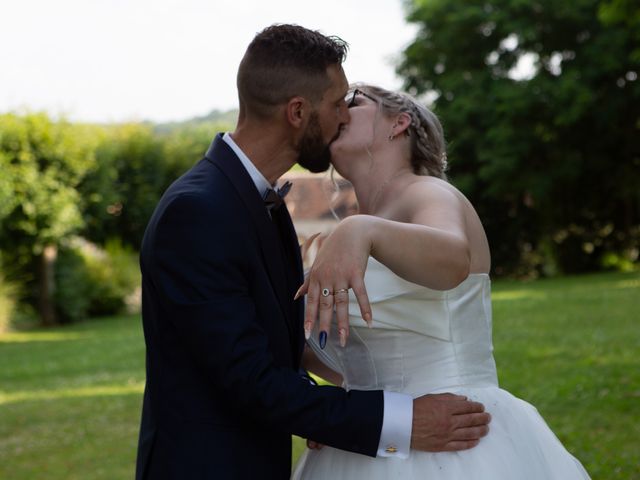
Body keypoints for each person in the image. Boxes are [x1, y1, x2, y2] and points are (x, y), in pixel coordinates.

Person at [135, 26, 492, 480]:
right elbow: (250, 379)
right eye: (338, 102)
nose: (342, 115)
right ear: (298, 112)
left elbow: (278, 344)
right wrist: (386, 418)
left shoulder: (261, 203)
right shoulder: (198, 210)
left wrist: (332, 409)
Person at [292, 84, 591, 479]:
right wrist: (340, 408)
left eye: (355, 102)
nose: (340, 113)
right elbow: (338, 352)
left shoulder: (428, 194)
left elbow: (452, 259)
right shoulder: (349, 231)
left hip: (457, 440)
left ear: (399, 123)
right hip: (370, 439)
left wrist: (360, 229)